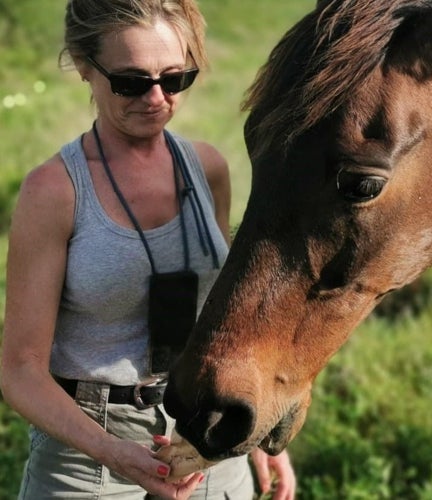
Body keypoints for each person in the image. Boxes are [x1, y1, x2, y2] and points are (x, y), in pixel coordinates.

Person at [0, 0, 296, 498]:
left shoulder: (208, 169)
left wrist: (258, 427)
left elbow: (223, 314)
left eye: (174, 79)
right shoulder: (54, 192)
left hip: (205, 440)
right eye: (131, 82)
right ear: (83, 64)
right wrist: (116, 454)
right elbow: (18, 371)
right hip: (87, 460)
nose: (156, 98)